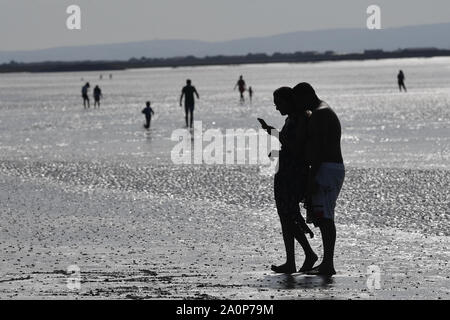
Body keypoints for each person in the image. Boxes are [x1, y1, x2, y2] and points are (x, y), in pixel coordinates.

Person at [258, 87, 317, 274]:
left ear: (289, 101)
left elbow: (297, 147)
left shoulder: (301, 119)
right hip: (285, 172)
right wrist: (276, 146)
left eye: (278, 103)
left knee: (289, 216)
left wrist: (275, 133)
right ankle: (292, 260)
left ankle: (306, 255)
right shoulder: (291, 119)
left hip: (294, 174)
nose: (276, 107)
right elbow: (290, 146)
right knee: (286, 217)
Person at [293, 82, 345, 276]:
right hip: (329, 167)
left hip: (326, 168)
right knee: (324, 217)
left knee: (325, 217)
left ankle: (328, 264)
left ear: (306, 96)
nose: (297, 105)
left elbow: (318, 151)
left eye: (298, 101)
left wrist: (312, 179)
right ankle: (326, 262)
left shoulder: (319, 114)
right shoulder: (321, 111)